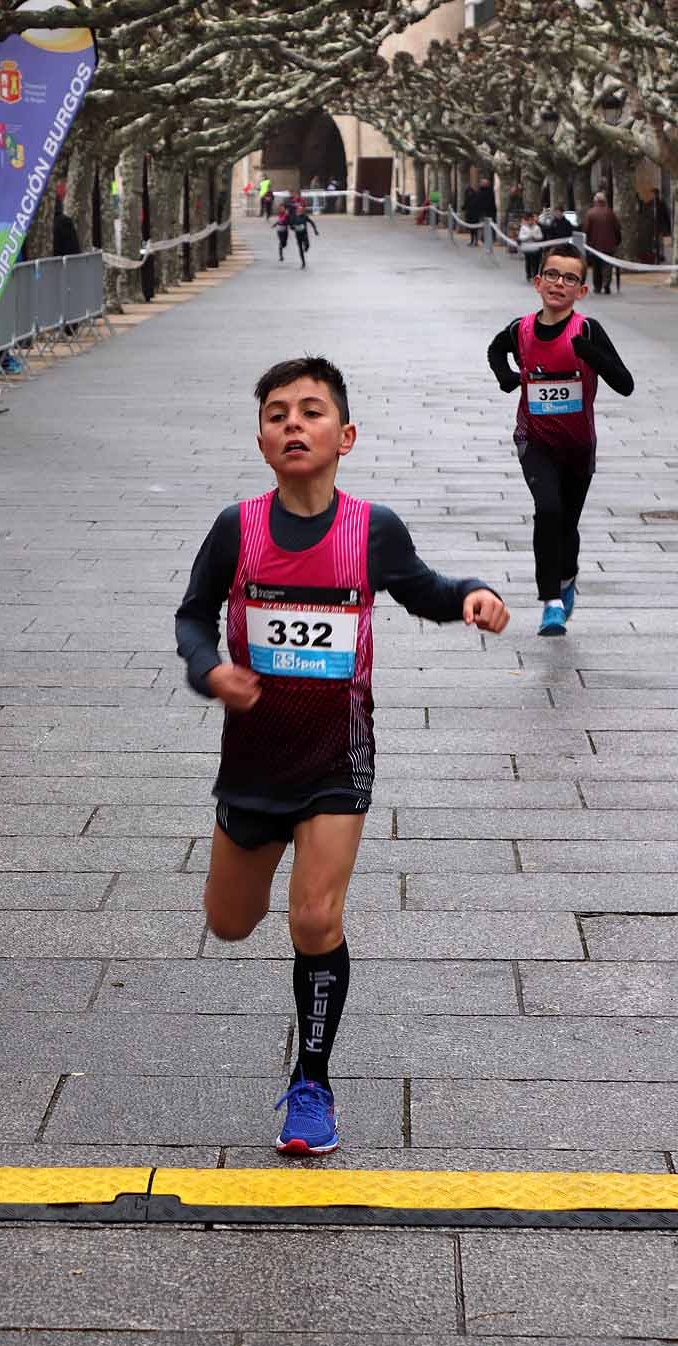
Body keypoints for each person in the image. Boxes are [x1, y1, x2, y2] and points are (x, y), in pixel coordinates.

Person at [175, 356, 508, 1154]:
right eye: (279, 414)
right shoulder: (237, 529)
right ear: (261, 441)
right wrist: (209, 669)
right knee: (229, 923)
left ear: (345, 435)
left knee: (315, 915)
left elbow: (420, 586)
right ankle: (302, 1052)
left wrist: (467, 594)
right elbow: (191, 617)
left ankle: (312, 1085)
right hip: (253, 765)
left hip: (337, 757)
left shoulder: (371, 529)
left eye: (312, 411)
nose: (295, 423)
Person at [486, 241, 634, 637]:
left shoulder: (586, 329)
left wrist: (592, 355)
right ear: (538, 282)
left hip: (578, 447)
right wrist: (506, 377)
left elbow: (626, 384)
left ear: (581, 290)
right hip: (533, 440)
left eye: (570, 278)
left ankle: (567, 579)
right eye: (552, 274)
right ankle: (551, 603)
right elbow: (496, 350)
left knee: (567, 523)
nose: (559, 283)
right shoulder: (522, 328)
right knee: (548, 511)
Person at [583, 191, 622, 295]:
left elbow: (586, 229)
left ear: (595, 201)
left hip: (595, 245)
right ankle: (606, 283)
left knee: (596, 266)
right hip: (609, 244)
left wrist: (588, 242)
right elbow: (617, 228)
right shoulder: (610, 212)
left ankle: (597, 286)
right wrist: (617, 240)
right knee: (607, 265)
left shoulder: (590, 213)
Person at [287, 196, 318, 268]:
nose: (300, 211)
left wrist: (315, 230)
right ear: (297, 210)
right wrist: (293, 227)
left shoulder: (304, 216)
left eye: (301, 210)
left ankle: (306, 247)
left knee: (307, 245)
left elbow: (311, 222)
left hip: (304, 234)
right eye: (299, 209)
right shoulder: (294, 217)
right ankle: (303, 262)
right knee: (300, 249)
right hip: (298, 235)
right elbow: (291, 225)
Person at [517, 211, 544, 280]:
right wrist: (528, 237)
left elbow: (540, 236)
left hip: (535, 248)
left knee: (536, 262)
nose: (530, 221)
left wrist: (535, 237)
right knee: (528, 261)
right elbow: (521, 237)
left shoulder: (537, 227)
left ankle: (535, 275)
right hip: (527, 248)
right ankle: (528, 275)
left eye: (532, 220)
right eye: (529, 220)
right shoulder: (523, 228)